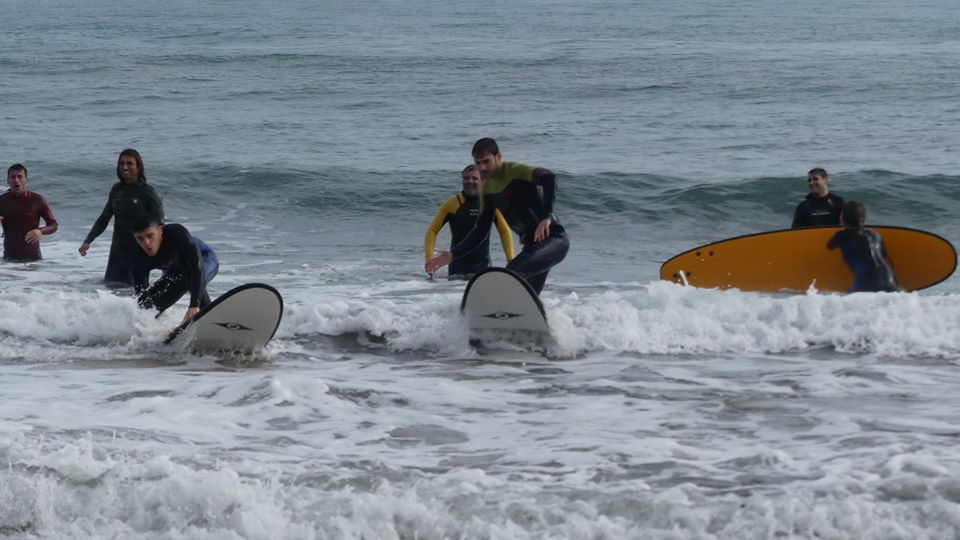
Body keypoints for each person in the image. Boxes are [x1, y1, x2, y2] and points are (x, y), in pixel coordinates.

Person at [425, 138, 569, 295]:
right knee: (526, 296)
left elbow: (549, 177)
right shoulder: (487, 190)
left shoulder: (514, 170)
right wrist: (453, 255)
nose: (482, 168)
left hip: (554, 240)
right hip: (532, 248)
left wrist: (546, 216)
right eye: (478, 163)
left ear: (498, 157)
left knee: (507, 276)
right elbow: (480, 231)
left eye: (486, 161)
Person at [79, 149, 164, 284]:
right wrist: (88, 240)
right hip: (117, 252)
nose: (124, 167)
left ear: (138, 167)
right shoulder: (117, 190)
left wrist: (161, 257)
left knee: (136, 290)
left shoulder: (148, 193)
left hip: (138, 251)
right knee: (112, 287)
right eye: (121, 163)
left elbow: (159, 225)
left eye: (129, 163)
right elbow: (104, 217)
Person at [424, 165, 515, 279]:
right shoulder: (452, 203)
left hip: (483, 268)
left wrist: (511, 260)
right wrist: (429, 258)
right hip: (457, 270)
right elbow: (432, 230)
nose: (470, 181)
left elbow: (504, 230)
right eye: (466, 178)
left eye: (474, 178)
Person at [130, 213, 219, 324]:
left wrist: (194, 305)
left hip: (204, 259)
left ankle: (211, 321)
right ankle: (156, 329)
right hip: (175, 267)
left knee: (188, 280)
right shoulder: (137, 258)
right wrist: (145, 322)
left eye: (150, 236)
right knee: (147, 305)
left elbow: (196, 268)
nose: (147, 244)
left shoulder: (177, 234)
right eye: (140, 239)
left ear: (160, 231)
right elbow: (142, 297)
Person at [826, 201, 899, 292]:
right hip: (890, 281)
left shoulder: (840, 236)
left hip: (866, 285)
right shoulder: (875, 235)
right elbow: (883, 255)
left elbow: (829, 246)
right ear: (863, 219)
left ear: (842, 219)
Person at [0, 164, 58, 261]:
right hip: (8, 262)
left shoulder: (37, 200)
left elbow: (53, 225)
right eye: (13, 177)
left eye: (20, 176)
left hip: (33, 261)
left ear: (26, 180)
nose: (16, 180)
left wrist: (40, 231)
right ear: (8, 180)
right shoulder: (2, 201)